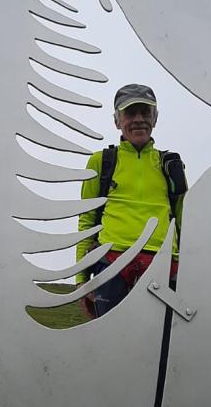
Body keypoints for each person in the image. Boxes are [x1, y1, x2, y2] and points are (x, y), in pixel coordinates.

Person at [76, 84, 185, 318]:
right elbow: (86, 221)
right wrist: (81, 281)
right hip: (111, 262)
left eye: (145, 113)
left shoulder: (171, 165)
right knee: (112, 344)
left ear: (155, 118)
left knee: (160, 348)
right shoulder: (101, 162)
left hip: (162, 263)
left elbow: (184, 221)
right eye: (130, 113)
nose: (139, 120)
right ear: (117, 120)